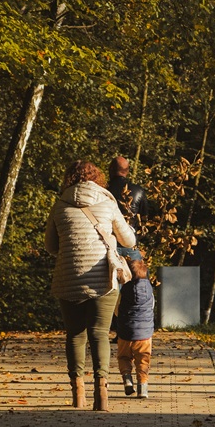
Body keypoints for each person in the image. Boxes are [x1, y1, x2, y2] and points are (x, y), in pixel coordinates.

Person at [45, 160, 136, 411]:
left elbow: (51, 247)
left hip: (69, 277)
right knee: (99, 333)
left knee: (75, 334)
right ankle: (102, 397)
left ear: (69, 179)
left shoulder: (60, 205)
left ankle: (78, 396)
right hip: (102, 277)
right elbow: (128, 239)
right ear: (97, 178)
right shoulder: (108, 203)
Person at [115, 259, 155, 399]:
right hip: (144, 335)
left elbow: (116, 310)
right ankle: (142, 388)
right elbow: (152, 307)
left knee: (124, 357)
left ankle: (127, 379)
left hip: (125, 332)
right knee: (143, 359)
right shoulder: (149, 289)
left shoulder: (124, 291)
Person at [108, 156, 149, 262]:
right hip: (130, 244)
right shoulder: (138, 191)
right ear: (127, 171)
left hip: (108, 244)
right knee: (141, 277)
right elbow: (144, 220)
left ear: (110, 169)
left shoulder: (102, 190)